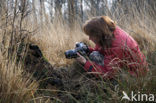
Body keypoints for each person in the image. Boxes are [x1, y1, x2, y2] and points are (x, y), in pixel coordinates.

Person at [76, 16, 148, 79]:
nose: (89, 39)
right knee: (94, 54)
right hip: (130, 68)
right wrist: (87, 49)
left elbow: (108, 74)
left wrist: (85, 63)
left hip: (135, 76)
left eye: (91, 35)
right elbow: (104, 51)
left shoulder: (117, 45)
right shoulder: (109, 34)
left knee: (94, 56)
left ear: (98, 33)